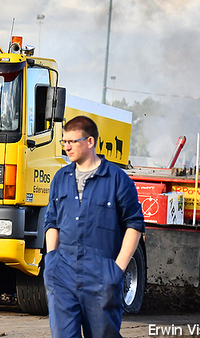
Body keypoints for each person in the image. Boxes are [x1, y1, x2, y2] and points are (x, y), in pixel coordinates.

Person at [44, 115, 145, 338]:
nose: (67, 147)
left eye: (72, 141)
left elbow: (134, 224)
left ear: (90, 142)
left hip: (101, 276)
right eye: (64, 142)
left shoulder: (117, 179)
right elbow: (52, 222)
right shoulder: (61, 178)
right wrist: (51, 259)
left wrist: (117, 270)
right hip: (62, 274)